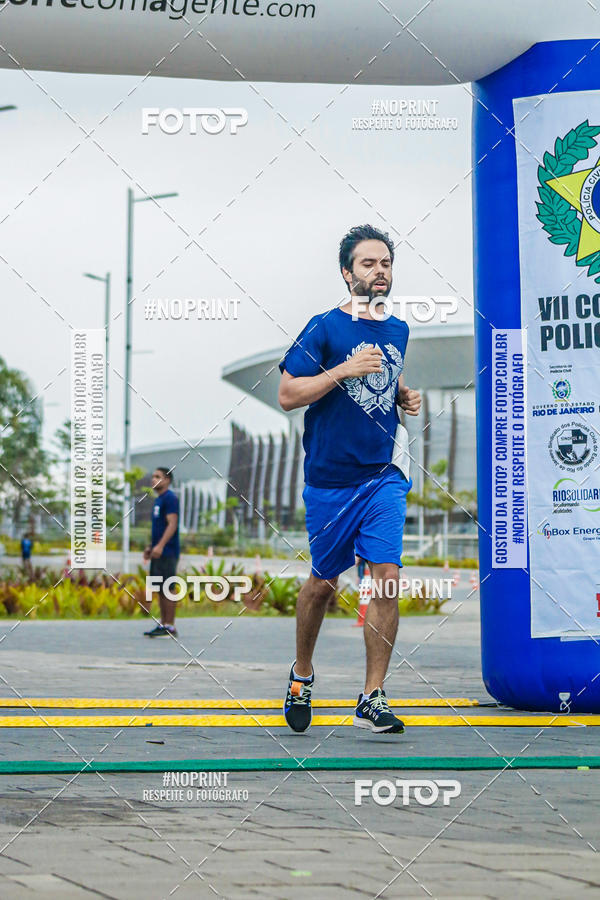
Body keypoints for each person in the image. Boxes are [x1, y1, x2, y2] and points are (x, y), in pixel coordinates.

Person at [278, 224, 421, 734]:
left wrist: (403, 392)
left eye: (385, 263)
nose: (379, 271)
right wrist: (342, 370)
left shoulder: (399, 330)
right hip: (331, 481)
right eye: (368, 264)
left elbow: (385, 370)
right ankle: (301, 674)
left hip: (383, 474)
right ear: (347, 273)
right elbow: (289, 395)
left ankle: (371, 698)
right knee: (322, 584)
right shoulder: (323, 327)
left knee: (386, 577)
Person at [143, 467, 180, 638]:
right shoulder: (159, 500)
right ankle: (163, 624)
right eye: (153, 476)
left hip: (168, 551)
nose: (153, 479)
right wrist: (151, 547)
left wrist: (161, 546)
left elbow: (172, 524)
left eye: (157, 476)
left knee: (168, 587)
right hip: (158, 551)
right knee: (160, 587)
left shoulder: (170, 498)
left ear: (167, 480)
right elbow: (159, 528)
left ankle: (170, 627)